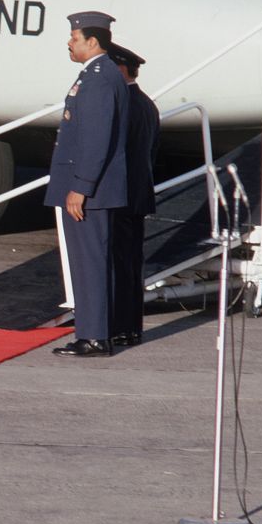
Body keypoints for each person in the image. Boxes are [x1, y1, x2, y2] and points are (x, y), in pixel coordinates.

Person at [45, 11, 130, 357]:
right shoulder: (100, 75)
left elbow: (95, 138)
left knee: (89, 263)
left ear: (92, 41)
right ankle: (96, 331)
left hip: (89, 191)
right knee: (90, 262)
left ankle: (94, 336)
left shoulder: (97, 79)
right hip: (92, 187)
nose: (69, 42)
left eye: (74, 37)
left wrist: (81, 185)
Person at [108, 43, 160, 347]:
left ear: (120, 69)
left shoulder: (121, 104)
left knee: (117, 264)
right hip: (138, 194)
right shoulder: (146, 103)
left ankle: (117, 326)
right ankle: (130, 328)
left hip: (119, 196)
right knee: (130, 264)